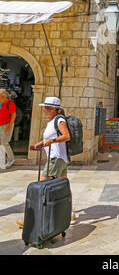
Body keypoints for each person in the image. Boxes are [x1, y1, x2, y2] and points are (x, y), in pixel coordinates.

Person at [16, 97, 77, 228]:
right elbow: (49, 138)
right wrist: (39, 144)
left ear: (54, 109)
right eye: (44, 107)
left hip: (56, 159)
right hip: (59, 159)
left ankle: (31, 219)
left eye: (47, 108)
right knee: (64, 186)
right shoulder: (51, 121)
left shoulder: (59, 120)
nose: (44, 110)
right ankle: (70, 214)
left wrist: (52, 141)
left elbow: (66, 136)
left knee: (42, 186)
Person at [0, 89, 16, 169]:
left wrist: (9, 127)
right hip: (1, 125)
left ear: (3, 97)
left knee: (5, 143)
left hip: (6, 125)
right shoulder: (2, 104)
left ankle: (11, 159)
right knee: (1, 143)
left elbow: (13, 116)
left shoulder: (10, 103)